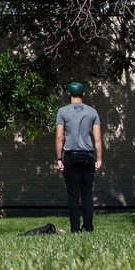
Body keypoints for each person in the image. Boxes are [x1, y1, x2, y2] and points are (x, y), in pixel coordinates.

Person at [55, 81, 102, 233]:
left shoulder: (62, 112)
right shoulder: (92, 112)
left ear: (68, 94)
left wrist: (59, 159)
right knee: (87, 193)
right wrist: (99, 159)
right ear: (83, 94)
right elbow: (98, 138)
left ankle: (75, 228)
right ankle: (88, 227)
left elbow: (59, 137)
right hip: (88, 155)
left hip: (71, 156)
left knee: (73, 194)